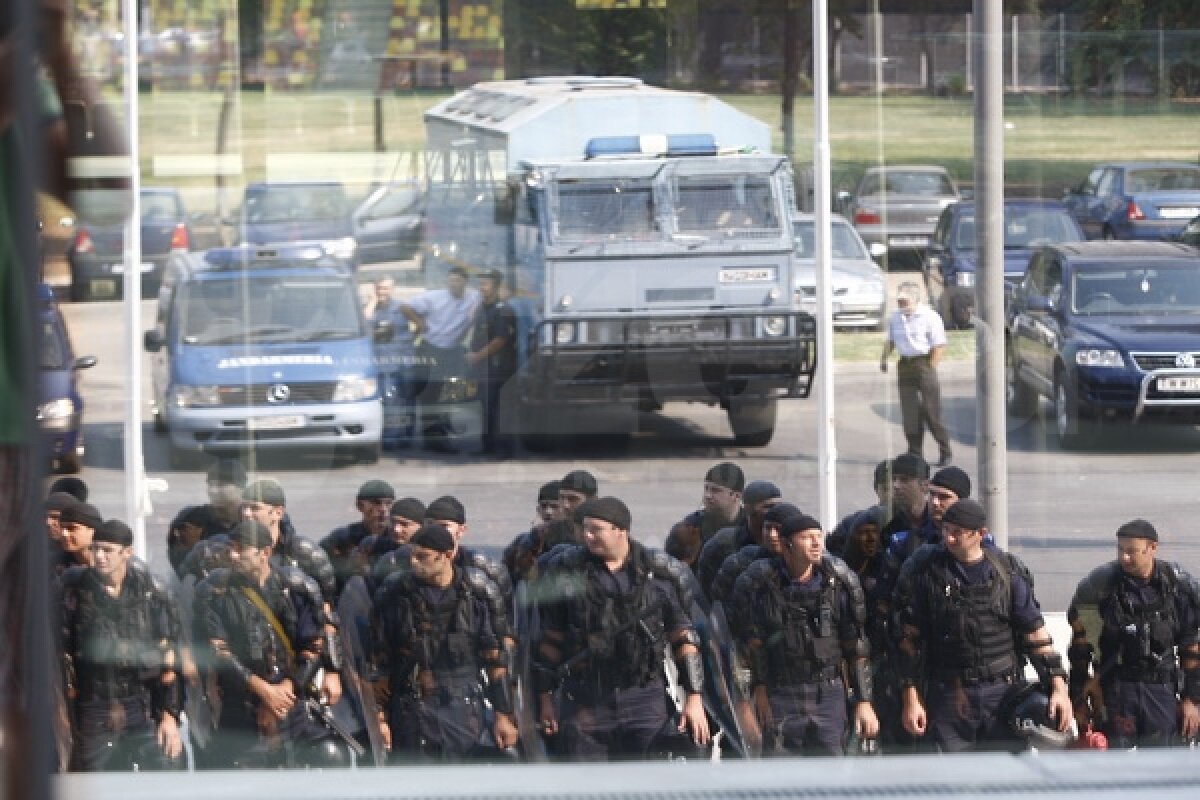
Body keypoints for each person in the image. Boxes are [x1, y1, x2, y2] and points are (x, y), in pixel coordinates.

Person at [533, 497, 710, 760]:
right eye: (585, 529)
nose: (587, 536)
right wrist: (545, 699)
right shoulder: (568, 572)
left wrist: (694, 699)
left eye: (596, 530)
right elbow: (551, 640)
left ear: (621, 531)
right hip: (585, 701)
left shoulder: (658, 575)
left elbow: (683, 637)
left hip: (644, 700)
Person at [893, 499, 1071, 752]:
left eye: (957, 533)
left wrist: (1058, 688)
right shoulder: (927, 573)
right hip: (949, 694)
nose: (949, 539)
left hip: (1003, 693)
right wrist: (911, 697)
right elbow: (908, 641)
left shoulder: (1005, 573)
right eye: (946, 530)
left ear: (981, 534)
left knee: (1004, 781)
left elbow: (1036, 635)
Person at [191, 520, 346, 768]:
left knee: (328, 757)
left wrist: (287, 687)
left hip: (291, 698)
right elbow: (219, 651)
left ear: (264, 552)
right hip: (240, 701)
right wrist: (265, 692)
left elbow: (314, 646)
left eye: (241, 548)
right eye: (231, 547)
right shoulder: (214, 592)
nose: (233, 554)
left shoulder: (295, 588)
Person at [731, 513, 879, 756]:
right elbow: (752, 644)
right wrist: (758, 691)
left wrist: (864, 701)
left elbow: (856, 647)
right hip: (781, 693)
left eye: (819, 537)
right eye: (807, 537)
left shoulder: (836, 586)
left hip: (828, 692)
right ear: (788, 544)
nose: (816, 543)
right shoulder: (763, 586)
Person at [369, 523, 518, 760]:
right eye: (412, 556)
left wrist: (504, 715)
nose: (414, 563)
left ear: (447, 555)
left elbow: (497, 660)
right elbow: (380, 660)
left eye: (423, 557)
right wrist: (379, 718)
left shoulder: (478, 592)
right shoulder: (395, 592)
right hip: (411, 707)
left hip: (462, 707)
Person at [58, 519, 184, 771]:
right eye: (95, 549)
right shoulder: (74, 591)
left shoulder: (151, 592)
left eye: (107, 550)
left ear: (127, 552)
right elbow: (60, 652)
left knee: (167, 768)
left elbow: (170, 659)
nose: (99, 556)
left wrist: (169, 716)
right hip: (94, 704)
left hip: (142, 701)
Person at [1067, 519, 1200, 748]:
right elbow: (1081, 643)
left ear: (1153, 548)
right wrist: (1078, 696)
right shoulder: (1101, 586)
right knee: (1114, 771)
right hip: (1115, 692)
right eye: (1120, 550)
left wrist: (1191, 700)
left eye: (1132, 552)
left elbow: (1192, 647)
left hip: (1161, 693)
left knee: (1162, 768)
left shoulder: (1177, 586)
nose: (1124, 558)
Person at [400, 265, 482, 449]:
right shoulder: (435, 297)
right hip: (431, 348)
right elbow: (405, 307)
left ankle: (443, 427)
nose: (453, 284)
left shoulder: (473, 298)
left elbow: (480, 306)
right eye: (451, 280)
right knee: (429, 393)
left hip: (452, 351)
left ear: (465, 283)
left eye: (458, 280)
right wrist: (419, 322)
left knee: (450, 392)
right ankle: (432, 437)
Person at [880, 282, 952, 467]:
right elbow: (891, 341)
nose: (902, 305)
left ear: (915, 300)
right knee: (910, 412)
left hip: (923, 362)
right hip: (905, 364)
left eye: (905, 301)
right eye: (900, 301)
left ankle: (945, 450)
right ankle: (914, 451)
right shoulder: (896, 318)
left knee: (931, 410)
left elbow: (938, 345)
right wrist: (884, 358)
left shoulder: (929, 317)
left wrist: (931, 367)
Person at [695, 480, 782, 602]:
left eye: (779, 505)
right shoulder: (725, 542)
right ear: (748, 509)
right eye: (768, 506)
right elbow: (706, 585)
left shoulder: (786, 539)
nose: (777, 511)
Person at [467, 269, 518, 457]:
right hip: (485, 369)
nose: (482, 288)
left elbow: (500, 340)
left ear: (496, 286)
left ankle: (503, 450)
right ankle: (487, 447)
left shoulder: (503, 310)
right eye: (480, 284)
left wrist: (477, 356)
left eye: (486, 284)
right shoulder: (482, 308)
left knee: (499, 410)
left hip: (499, 368)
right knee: (486, 408)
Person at [319, 479, 396, 598]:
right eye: (376, 503)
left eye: (388, 503)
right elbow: (320, 571)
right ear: (360, 506)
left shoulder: (396, 538)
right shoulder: (343, 538)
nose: (383, 509)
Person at [366, 277, 417, 449]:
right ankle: (391, 438)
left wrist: (407, 340)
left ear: (392, 289)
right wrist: (372, 302)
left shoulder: (402, 307)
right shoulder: (370, 308)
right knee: (388, 399)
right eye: (379, 288)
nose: (382, 292)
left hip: (403, 361)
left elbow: (421, 325)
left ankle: (406, 437)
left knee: (405, 399)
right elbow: (364, 325)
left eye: (386, 288)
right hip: (381, 362)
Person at [672, 461, 746, 547]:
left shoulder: (751, 526)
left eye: (715, 490)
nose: (707, 495)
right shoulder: (691, 527)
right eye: (706, 488)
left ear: (736, 496)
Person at [54, 498, 102, 576]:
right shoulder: (54, 566)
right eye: (62, 527)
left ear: (93, 530)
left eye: (72, 528)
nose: (64, 533)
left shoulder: (116, 563)